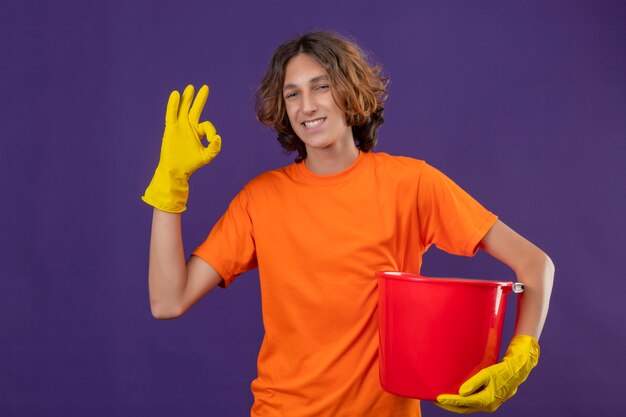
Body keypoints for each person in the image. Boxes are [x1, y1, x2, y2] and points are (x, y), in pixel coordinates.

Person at [142, 31, 554, 417]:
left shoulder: (411, 183)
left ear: (350, 93)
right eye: (293, 94)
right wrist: (169, 187)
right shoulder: (260, 198)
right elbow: (168, 300)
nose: (307, 106)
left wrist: (521, 354)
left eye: (321, 86)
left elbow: (535, 264)